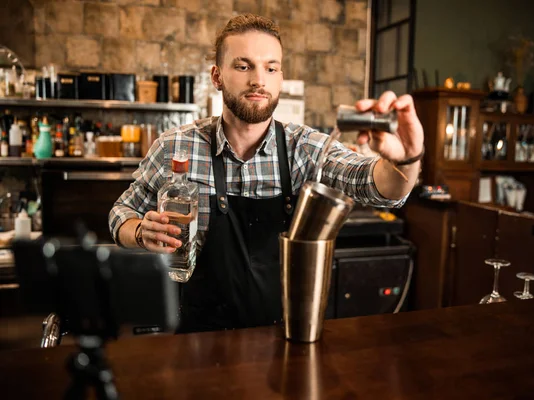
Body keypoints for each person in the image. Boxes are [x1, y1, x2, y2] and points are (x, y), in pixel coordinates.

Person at [109, 13, 424, 333]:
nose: (259, 80)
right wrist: (138, 232)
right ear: (216, 77)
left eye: (271, 68)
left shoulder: (305, 148)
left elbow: (378, 187)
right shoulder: (176, 147)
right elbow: (121, 213)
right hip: (200, 340)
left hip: (287, 336)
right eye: (243, 66)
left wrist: (407, 156)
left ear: (280, 77)